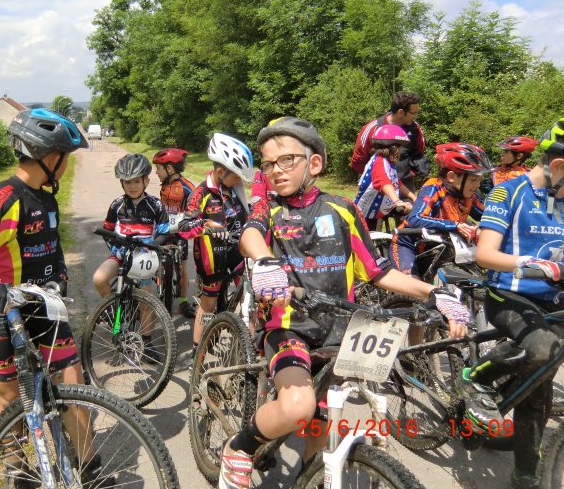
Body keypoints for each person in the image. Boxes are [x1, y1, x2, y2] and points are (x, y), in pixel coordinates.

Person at [218, 117, 468, 489]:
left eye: (287, 160)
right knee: (298, 406)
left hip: (340, 331)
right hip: (288, 328)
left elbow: (379, 271)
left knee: (319, 424)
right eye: (268, 164)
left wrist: (433, 293)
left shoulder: (342, 210)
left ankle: (311, 479)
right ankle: (238, 448)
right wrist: (266, 260)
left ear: (314, 163)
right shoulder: (268, 210)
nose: (275, 170)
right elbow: (251, 235)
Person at [0, 108, 103, 485]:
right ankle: (17, 470)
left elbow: (50, 247)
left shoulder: (46, 197)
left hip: (46, 310)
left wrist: (62, 275)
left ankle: (90, 469)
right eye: (66, 158)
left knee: (73, 384)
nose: (66, 166)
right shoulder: (6, 196)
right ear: (51, 157)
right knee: (9, 398)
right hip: (6, 313)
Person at [465, 118, 564, 489]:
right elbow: (485, 254)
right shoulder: (509, 193)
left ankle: (525, 472)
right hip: (508, 294)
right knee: (541, 348)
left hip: (554, 300)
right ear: (557, 167)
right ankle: (475, 378)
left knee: (539, 384)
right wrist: (532, 263)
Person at [178, 133, 253, 355]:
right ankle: (197, 354)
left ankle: (248, 351)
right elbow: (184, 228)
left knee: (249, 300)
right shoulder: (200, 193)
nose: (240, 181)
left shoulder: (234, 190)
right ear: (221, 172)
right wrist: (206, 224)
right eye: (237, 176)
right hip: (212, 260)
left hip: (238, 256)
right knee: (208, 305)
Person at [390, 142, 491, 278]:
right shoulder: (434, 187)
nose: (477, 185)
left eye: (479, 180)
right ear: (451, 177)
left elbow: (490, 216)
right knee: (411, 288)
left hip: (438, 249)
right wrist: (454, 225)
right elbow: (415, 219)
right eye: (473, 179)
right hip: (408, 244)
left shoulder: (469, 196)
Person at [92, 153, 170, 296]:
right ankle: (112, 309)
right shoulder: (117, 204)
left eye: (136, 182)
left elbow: (164, 231)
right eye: (127, 182)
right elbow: (107, 230)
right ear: (121, 183)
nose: (132, 187)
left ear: (146, 181)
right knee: (99, 279)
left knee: (145, 302)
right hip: (121, 254)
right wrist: (116, 249)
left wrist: (152, 247)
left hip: (143, 257)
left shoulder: (156, 204)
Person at [350, 91, 427, 189]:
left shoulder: (415, 129)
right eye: (413, 113)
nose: (416, 116)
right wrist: (377, 178)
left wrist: (409, 174)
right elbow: (357, 161)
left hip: (406, 190)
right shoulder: (372, 128)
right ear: (400, 112)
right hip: (376, 190)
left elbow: (419, 155)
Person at [152, 148, 197, 318]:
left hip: (179, 231)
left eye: (158, 168)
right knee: (152, 252)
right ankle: (158, 278)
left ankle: (184, 301)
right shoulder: (164, 185)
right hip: (164, 229)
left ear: (169, 169)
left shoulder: (187, 187)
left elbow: (194, 209)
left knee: (183, 265)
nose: (156, 172)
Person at [354, 124, 417, 231]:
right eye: (399, 147)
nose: (400, 152)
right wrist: (397, 201)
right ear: (393, 148)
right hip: (365, 212)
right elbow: (383, 182)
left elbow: (397, 183)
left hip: (377, 209)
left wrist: (414, 197)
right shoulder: (379, 162)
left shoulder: (387, 162)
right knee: (366, 243)